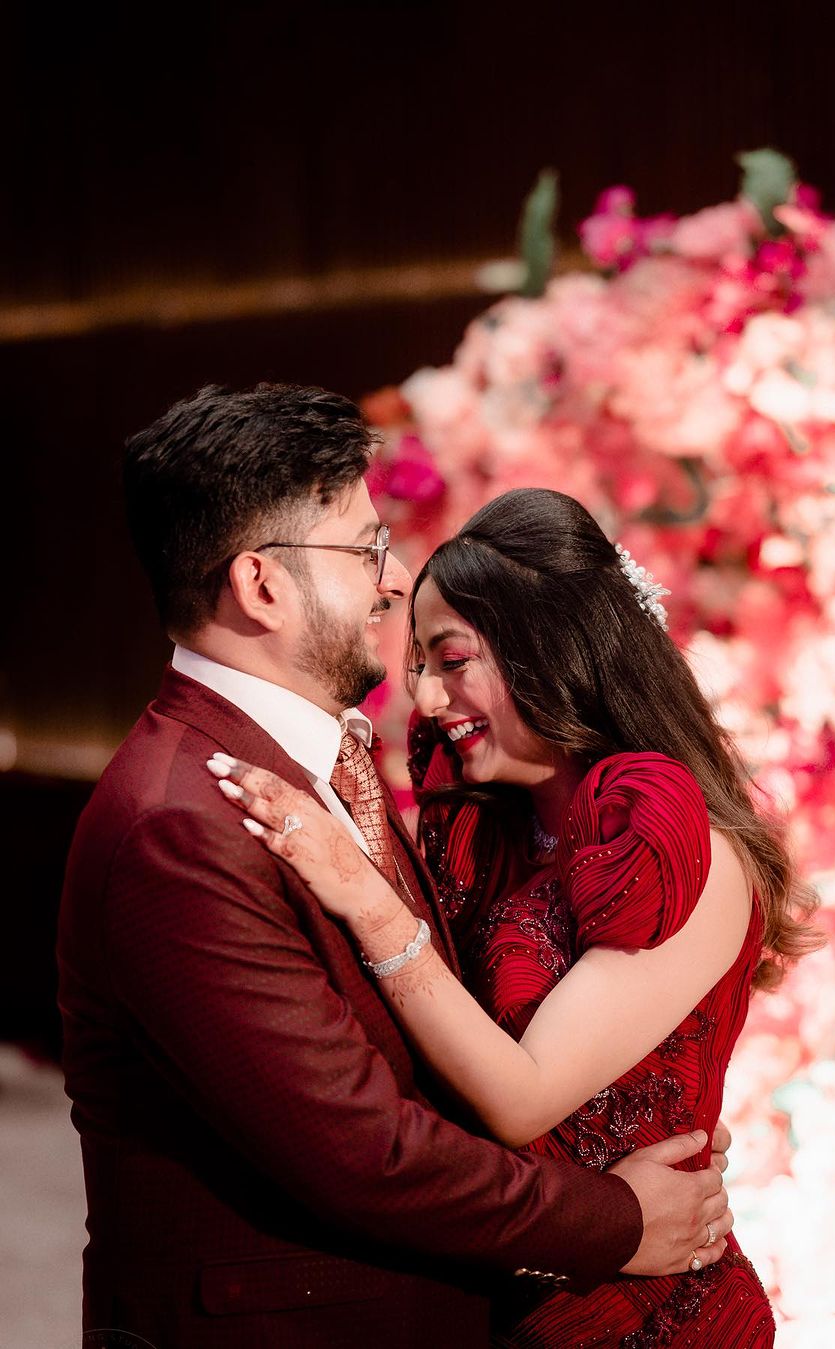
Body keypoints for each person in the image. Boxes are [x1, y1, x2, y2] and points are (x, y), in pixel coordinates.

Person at [57, 387, 734, 1349]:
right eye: (365, 546)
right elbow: (363, 1149)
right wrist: (617, 1219)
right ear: (262, 586)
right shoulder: (182, 823)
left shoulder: (319, 759)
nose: (397, 575)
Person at [212, 486, 823, 1346]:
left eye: (452, 659)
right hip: (504, 1282)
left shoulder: (685, 851)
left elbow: (521, 1096)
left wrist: (363, 895)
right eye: (421, 664)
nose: (427, 699)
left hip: (643, 1315)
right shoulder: (491, 830)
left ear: (552, 649)